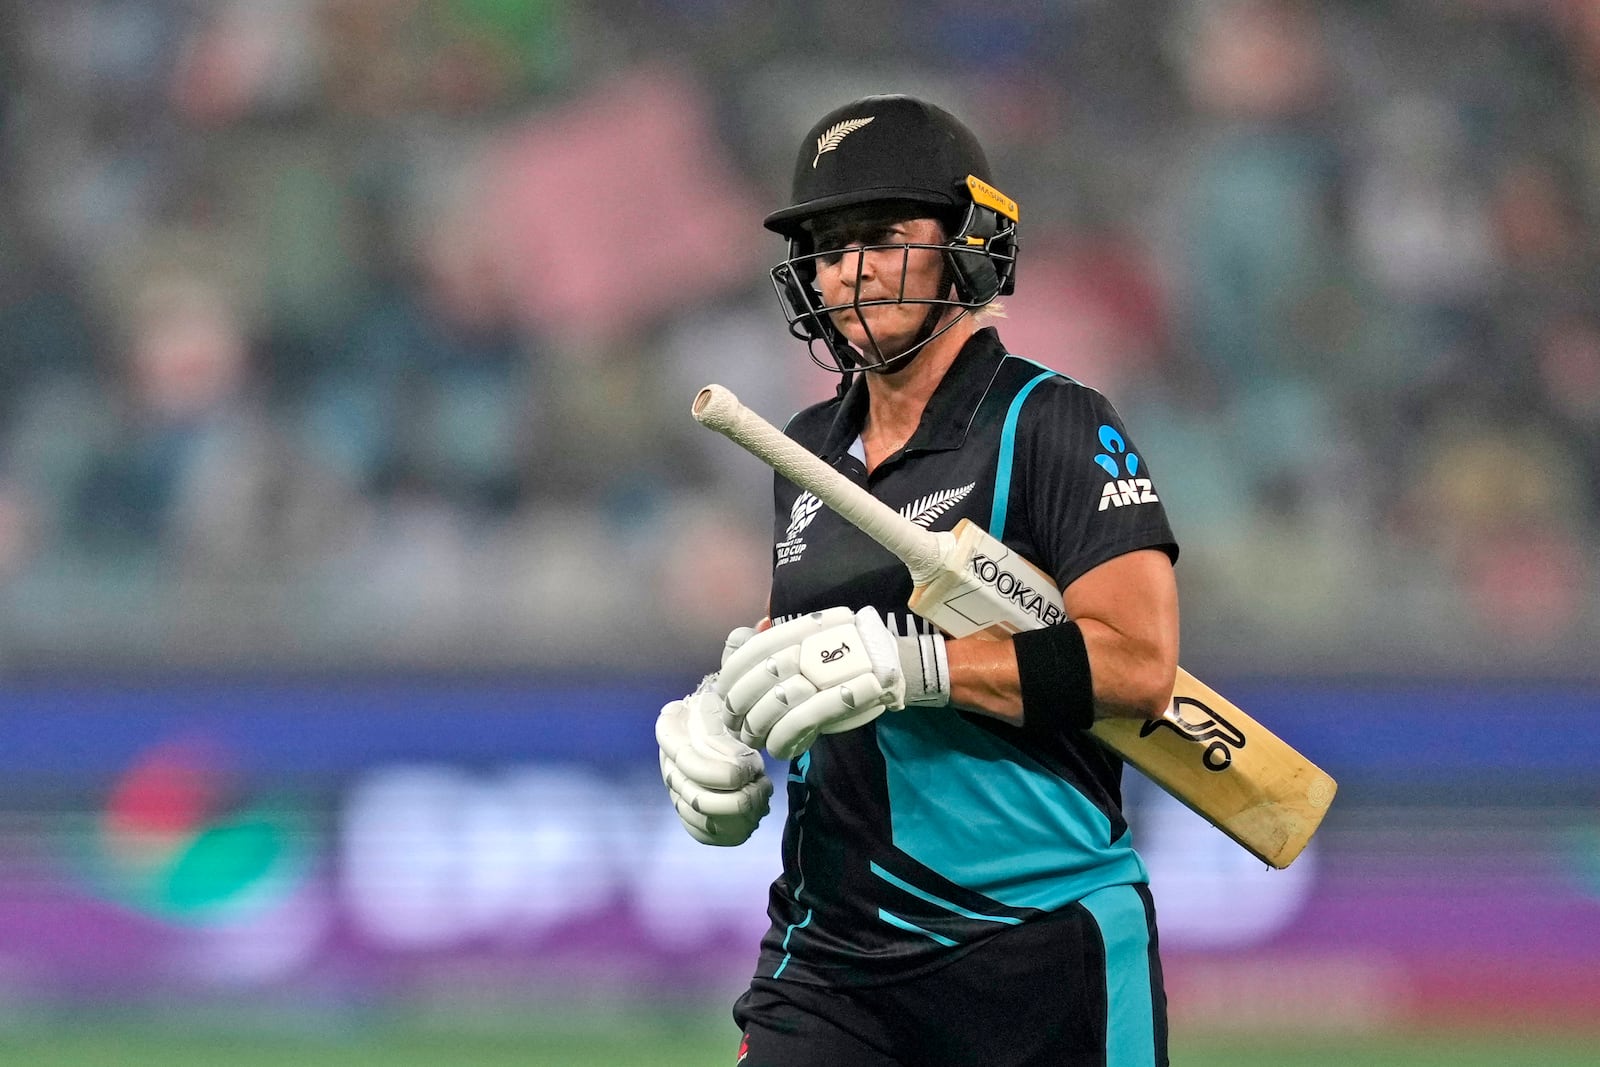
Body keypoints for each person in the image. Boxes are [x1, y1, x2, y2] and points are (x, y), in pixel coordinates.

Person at [656, 94, 1179, 1067]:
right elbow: (800, 643)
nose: (848, 271)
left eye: (883, 237)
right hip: (832, 960)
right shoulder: (805, 447)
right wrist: (722, 716)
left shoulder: (1051, 422)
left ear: (971, 243)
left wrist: (921, 668)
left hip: (1038, 941)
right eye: (826, 246)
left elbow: (1140, 663)